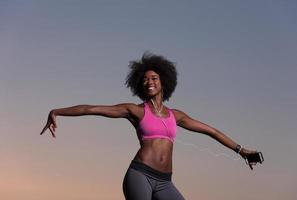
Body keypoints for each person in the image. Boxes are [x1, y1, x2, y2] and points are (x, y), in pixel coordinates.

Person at [40, 52, 260, 200]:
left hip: (165, 182)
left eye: (154, 78)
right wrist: (57, 111)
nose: (149, 82)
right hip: (140, 176)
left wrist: (241, 151)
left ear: (163, 81)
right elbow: (92, 109)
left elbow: (212, 131)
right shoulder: (135, 111)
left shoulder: (177, 116)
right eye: (145, 80)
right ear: (140, 85)